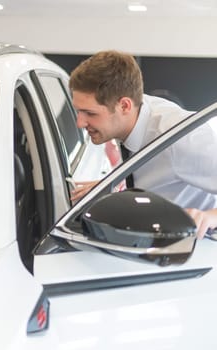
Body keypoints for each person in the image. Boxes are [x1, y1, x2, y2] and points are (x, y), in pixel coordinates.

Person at [68, 50, 217, 239]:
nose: (80, 123)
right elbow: (153, 174)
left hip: (193, 247)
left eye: (90, 113)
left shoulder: (181, 138)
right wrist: (115, 188)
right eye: (79, 111)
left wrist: (209, 217)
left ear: (124, 106)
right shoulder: (133, 112)